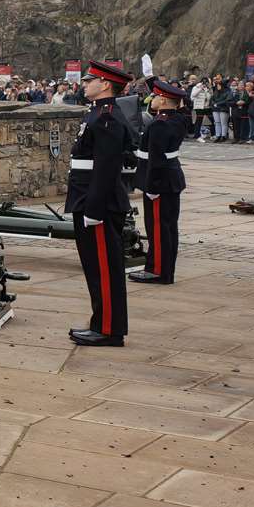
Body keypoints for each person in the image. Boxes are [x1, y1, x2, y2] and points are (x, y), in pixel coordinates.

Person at [65, 59, 136, 347]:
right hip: (88, 198)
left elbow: (106, 168)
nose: (84, 84)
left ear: (105, 84)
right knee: (95, 268)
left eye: (88, 80)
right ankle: (101, 322)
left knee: (105, 269)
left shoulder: (106, 117)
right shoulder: (97, 113)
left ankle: (108, 329)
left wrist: (94, 209)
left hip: (98, 204)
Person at [130, 79, 188, 285]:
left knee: (158, 229)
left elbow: (157, 159)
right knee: (168, 227)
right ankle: (163, 268)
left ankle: (158, 271)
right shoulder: (176, 119)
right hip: (171, 179)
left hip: (159, 183)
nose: (151, 99)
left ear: (163, 100)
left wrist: (152, 186)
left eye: (154, 96)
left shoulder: (160, 124)